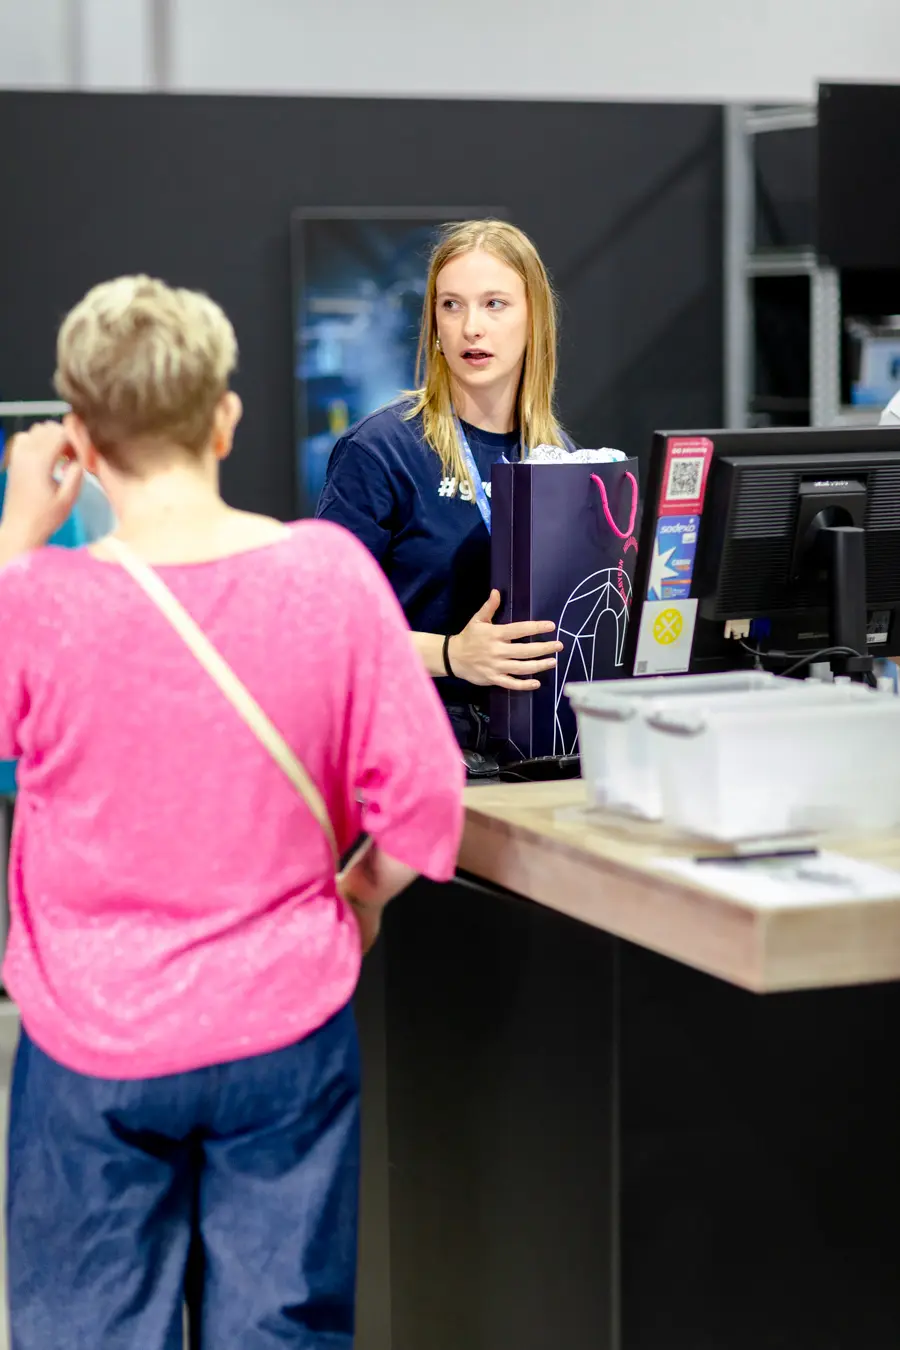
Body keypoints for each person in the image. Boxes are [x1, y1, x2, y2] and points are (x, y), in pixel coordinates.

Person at [0, 275, 464, 1349]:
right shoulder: (329, 577)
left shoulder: (38, 600)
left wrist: (18, 533)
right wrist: (360, 897)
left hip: (92, 1037)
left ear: (80, 438)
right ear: (224, 418)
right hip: (286, 1026)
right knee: (281, 1331)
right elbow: (426, 799)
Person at [316, 219, 568, 754]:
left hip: (541, 748)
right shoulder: (380, 450)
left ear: (534, 319)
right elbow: (325, 629)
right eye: (452, 305)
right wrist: (453, 655)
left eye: (494, 304)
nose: (471, 327)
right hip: (419, 750)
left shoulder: (558, 456)